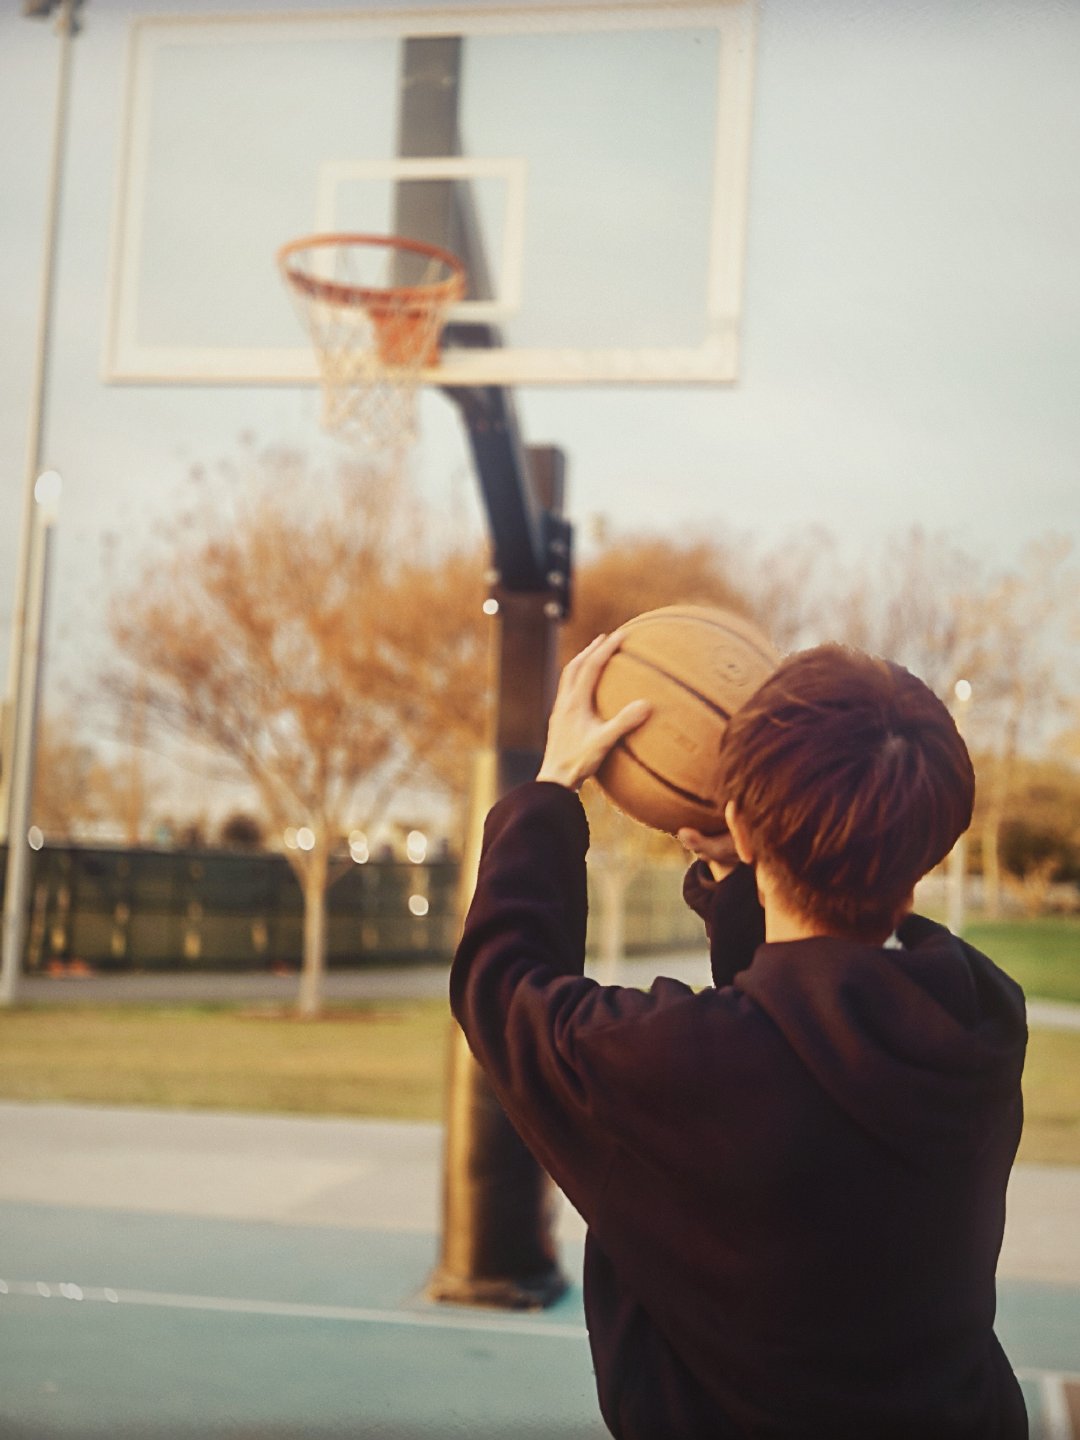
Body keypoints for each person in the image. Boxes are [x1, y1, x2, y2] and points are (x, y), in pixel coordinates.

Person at [450, 631, 1028, 1439]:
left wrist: (551, 787)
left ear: (745, 831)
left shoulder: (679, 1069)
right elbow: (800, 1015)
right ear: (927, 846)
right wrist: (745, 870)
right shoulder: (982, 1017)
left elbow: (499, 985)